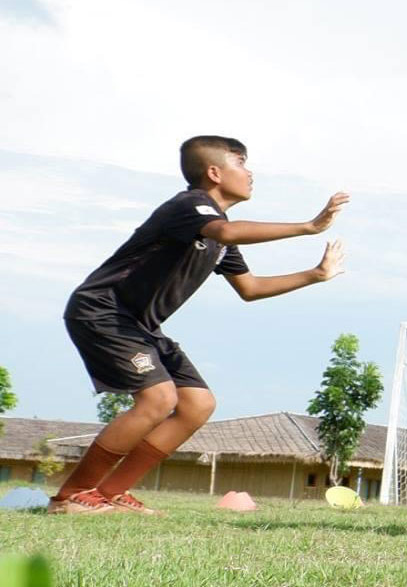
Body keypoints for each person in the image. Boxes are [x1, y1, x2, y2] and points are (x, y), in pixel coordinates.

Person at [52, 135, 347, 515]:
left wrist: (316, 274)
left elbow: (250, 288)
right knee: (158, 399)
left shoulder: (218, 233)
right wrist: (308, 226)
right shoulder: (191, 206)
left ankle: (111, 493)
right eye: (241, 163)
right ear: (214, 172)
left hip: (142, 325)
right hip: (101, 311)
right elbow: (226, 232)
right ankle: (70, 495)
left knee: (197, 405)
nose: (250, 172)